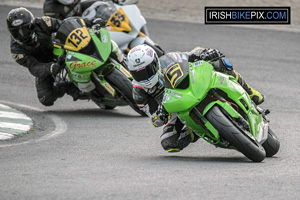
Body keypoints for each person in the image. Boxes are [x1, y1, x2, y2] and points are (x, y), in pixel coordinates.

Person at [127, 44, 265, 152]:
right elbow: (154, 120)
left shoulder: (167, 60)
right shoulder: (138, 92)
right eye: (138, 74)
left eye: (147, 70)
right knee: (168, 142)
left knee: (218, 62)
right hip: (175, 109)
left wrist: (205, 53)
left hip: (191, 85)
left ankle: (249, 91)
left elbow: (190, 55)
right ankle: (196, 129)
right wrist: (161, 113)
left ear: (155, 63)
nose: (144, 76)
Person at [7, 7, 107, 106]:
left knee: (84, 44)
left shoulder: (43, 22)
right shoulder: (16, 50)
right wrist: (49, 68)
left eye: (25, 29)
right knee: (45, 98)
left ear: (32, 25)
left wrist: (91, 22)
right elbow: (33, 67)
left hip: (59, 49)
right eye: (16, 32)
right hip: (45, 64)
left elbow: (65, 24)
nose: (22, 35)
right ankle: (69, 87)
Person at [43, 0, 127, 20]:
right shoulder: (50, 9)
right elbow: (57, 28)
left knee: (100, 4)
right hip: (73, 29)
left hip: (81, 14)